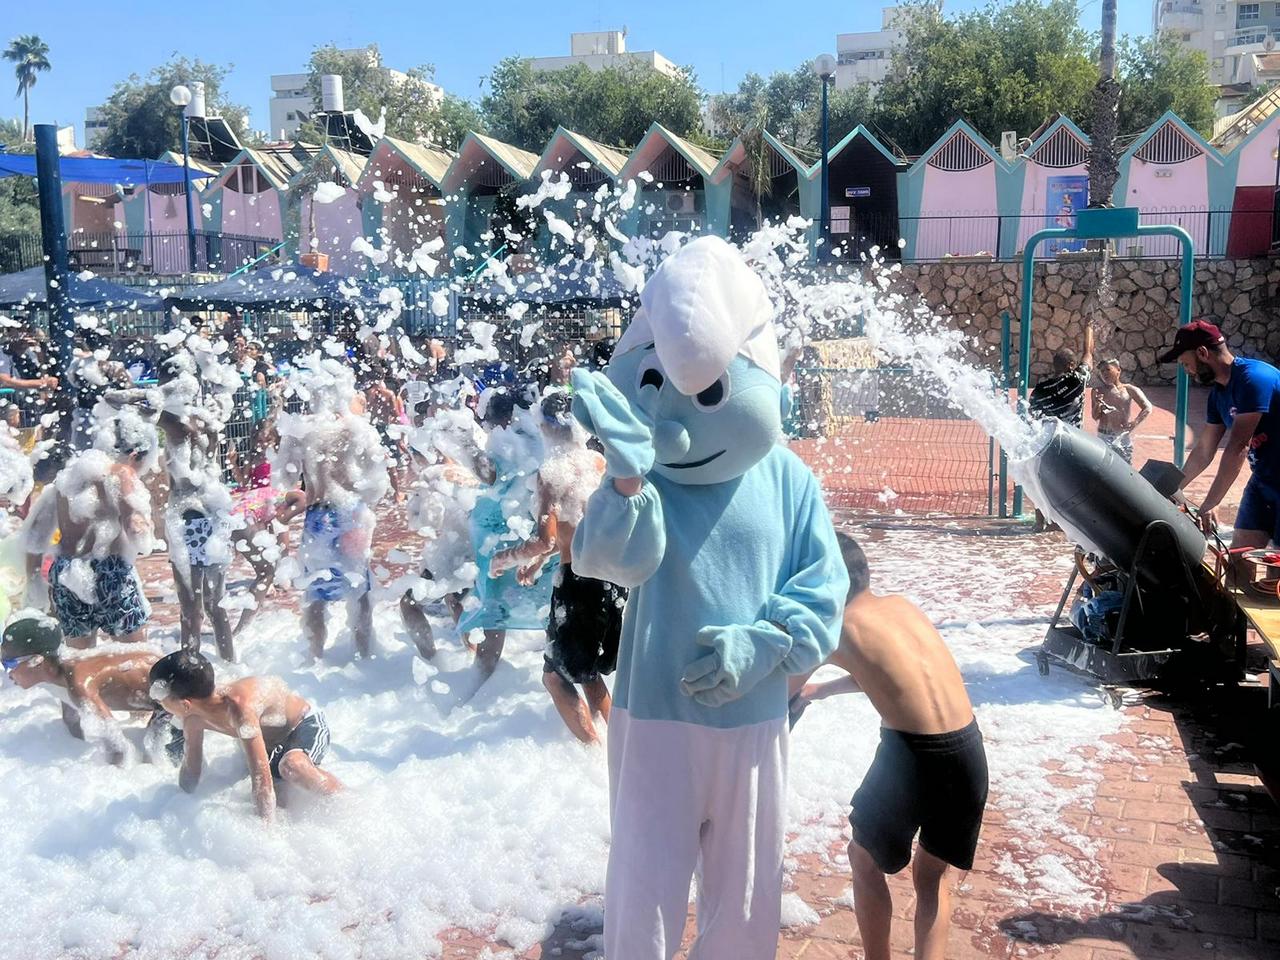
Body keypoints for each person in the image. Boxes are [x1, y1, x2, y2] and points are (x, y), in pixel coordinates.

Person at [571, 237, 846, 959]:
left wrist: (767, 643)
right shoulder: (644, 477)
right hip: (652, 712)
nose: (674, 423)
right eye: (653, 383)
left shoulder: (788, 478)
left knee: (747, 896)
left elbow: (824, 589)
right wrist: (625, 479)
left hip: (752, 717)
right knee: (641, 890)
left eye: (711, 392)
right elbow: (607, 561)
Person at [788, 533, 988, 960]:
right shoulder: (901, 607)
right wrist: (822, 691)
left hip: (912, 758)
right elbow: (891, 671)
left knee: (862, 859)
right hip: (968, 749)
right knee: (933, 876)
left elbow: (780, 692)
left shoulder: (832, 631)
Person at [489, 393, 623, 744]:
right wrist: (537, 564)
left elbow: (544, 539)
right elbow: (576, 530)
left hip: (578, 585)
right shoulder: (598, 462)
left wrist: (505, 559)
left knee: (554, 676)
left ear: (546, 426)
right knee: (589, 673)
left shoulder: (551, 474)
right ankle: (620, 751)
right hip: (612, 580)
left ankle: (594, 753)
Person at [103, 346, 239, 660]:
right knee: (215, 604)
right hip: (216, 513)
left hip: (189, 516)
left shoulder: (174, 421)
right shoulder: (208, 418)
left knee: (190, 607)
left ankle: (187, 671)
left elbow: (113, 399)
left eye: (161, 379)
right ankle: (230, 664)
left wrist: (156, 393)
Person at [274, 355, 390, 659]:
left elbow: (285, 477)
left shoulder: (301, 429)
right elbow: (378, 481)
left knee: (316, 591)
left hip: (319, 516)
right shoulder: (357, 428)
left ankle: (315, 657)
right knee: (359, 588)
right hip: (353, 512)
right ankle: (365, 656)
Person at [148, 650, 341, 821]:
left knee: (292, 767)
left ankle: (345, 803)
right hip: (269, 745)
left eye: (160, 699)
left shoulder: (240, 708)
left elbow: (260, 780)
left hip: (303, 725)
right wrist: (177, 805)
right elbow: (191, 770)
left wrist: (265, 834)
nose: (158, 704)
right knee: (283, 802)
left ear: (185, 704)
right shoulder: (192, 719)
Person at [22, 414, 156, 647]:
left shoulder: (65, 479)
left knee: (79, 659)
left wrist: (34, 584)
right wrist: (148, 528)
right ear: (134, 455)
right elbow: (136, 529)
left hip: (66, 573)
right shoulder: (121, 473)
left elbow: (34, 537)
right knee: (135, 656)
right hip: (109, 571)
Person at [456, 389, 558, 680]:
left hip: (504, 542)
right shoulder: (534, 441)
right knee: (549, 606)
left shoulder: (508, 444)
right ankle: (555, 670)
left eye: (489, 421)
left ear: (501, 418)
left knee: (493, 610)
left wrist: (462, 440)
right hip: (530, 538)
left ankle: (482, 678)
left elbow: (489, 472)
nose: (488, 427)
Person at [1, 612, 177, 765]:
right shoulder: (62, 674)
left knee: (163, 760)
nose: (6, 672)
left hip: (180, 697)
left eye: (8, 663)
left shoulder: (79, 682)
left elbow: (118, 748)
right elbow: (71, 721)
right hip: (166, 691)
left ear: (36, 661)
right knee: (152, 749)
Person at [1161, 320, 1280, 544]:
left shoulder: (1254, 379)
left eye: (1186, 364)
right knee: (1240, 556)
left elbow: (1238, 447)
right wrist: (1171, 490)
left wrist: (1212, 501)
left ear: (1202, 353)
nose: (1187, 371)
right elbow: (1204, 451)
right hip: (1264, 479)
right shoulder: (1218, 396)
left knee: (1271, 561)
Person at [1029, 325, 1094, 530]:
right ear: (1071, 365)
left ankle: (1040, 522)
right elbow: (1089, 355)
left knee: (1044, 483)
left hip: (1046, 442)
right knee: (1069, 483)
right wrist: (1089, 328)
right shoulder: (1077, 380)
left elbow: (1031, 417)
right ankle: (1062, 524)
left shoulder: (1040, 389)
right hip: (1070, 442)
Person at [1091, 358, 1152, 463]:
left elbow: (1147, 407)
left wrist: (1135, 422)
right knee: (1103, 468)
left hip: (1122, 437)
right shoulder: (1098, 391)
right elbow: (1095, 416)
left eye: (1108, 369)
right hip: (1104, 436)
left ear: (1118, 370)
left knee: (1125, 467)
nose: (1104, 373)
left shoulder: (1129, 389)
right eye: (1102, 371)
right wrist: (1097, 404)